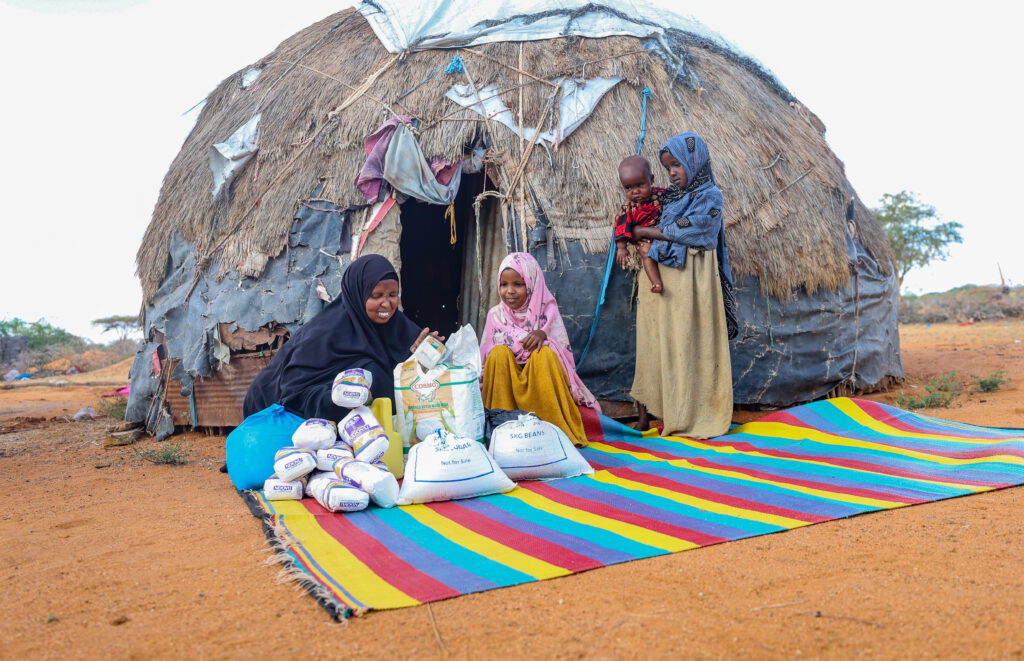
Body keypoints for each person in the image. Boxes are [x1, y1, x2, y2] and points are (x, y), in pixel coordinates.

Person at [630, 132, 738, 439]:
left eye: (677, 164)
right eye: (668, 168)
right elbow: (660, 230)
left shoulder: (711, 195)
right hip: (665, 282)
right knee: (667, 346)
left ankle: (696, 412)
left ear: (695, 161)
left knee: (692, 342)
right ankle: (671, 410)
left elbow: (698, 231)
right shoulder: (672, 198)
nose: (673, 172)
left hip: (694, 283)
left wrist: (649, 233)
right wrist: (643, 238)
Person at [243, 254, 437, 421]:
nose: (386, 304)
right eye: (376, 296)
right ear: (358, 295)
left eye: (393, 294)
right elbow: (293, 392)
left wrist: (425, 354)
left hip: (368, 427)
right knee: (370, 371)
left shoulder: (398, 326)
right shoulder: (323, 335)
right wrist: (341, 399)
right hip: (272, 410)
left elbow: (416, 376)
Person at [480, 253, 600, 446]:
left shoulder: (547, 311)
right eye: (504, 285)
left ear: (532, 284)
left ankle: (553, 435)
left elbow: (562, 357)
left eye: (518, 284)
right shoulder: (496, 315)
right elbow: (484, 362)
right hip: (507, 387)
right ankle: (500, 434)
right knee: (497, 354)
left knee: (543, 353)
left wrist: (543, 335)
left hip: (541, 385)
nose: (509, 291)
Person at [613, 155, 667, 293]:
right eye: (628, 188)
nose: (635, 191)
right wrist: (621, 248)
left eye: (640, 185)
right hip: (646, 242)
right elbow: (620, 227)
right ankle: (656, 282)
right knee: (646, 252)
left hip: (665, 236)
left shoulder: (662, 195)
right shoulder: (628, 207)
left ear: (651, 179)